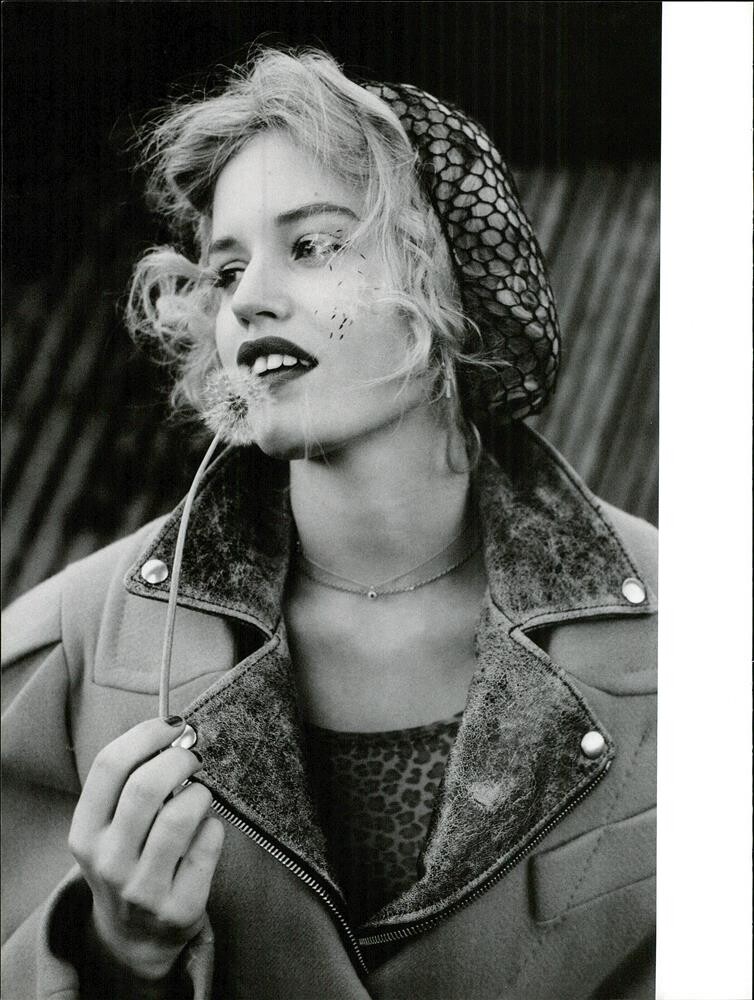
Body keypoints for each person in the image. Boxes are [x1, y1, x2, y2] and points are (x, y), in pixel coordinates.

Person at [1, 47, 657, 999]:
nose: (248, 298)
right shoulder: (71, 648)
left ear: (446, 278)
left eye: (311, 247)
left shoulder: (693, 625)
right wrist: (114, 956)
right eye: (227, 269)